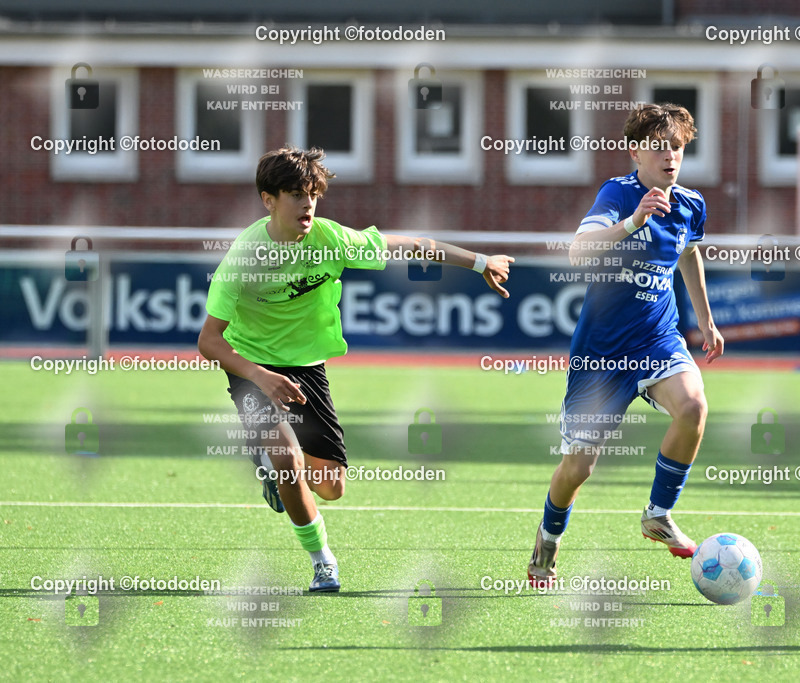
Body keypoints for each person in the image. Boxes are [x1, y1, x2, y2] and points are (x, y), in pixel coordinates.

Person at [199, 146, 513, 592]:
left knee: (330, 487)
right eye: (293, 194)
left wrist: (480, 262)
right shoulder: (245, 256)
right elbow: (208, 341)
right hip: (251, 364)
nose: (306, 203)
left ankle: (273, 471)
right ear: (269, 200)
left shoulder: (331, 239)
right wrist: (260, 376)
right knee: (287, 460)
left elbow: (409, 246)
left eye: (312, 193)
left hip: (307, 365)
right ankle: (322, 561)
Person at [527, 103, 724, 587]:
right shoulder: (618, 194)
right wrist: (634, 221)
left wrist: (705, 318)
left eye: (676, 147)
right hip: (603, 352)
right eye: (659, 148)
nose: (670, 157)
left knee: (694, 406)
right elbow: (579, 253)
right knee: (579, 466)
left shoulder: (691, 204)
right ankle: (547, 541)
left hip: (659, 338)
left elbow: (689, 256)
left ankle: (658, 513)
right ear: (636, 152)